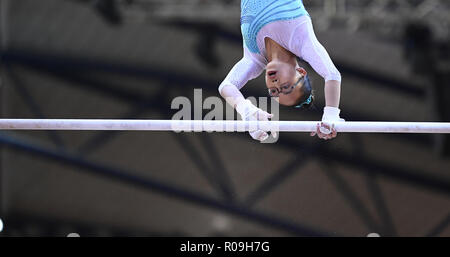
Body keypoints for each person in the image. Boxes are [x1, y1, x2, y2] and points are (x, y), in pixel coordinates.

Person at [218, 0, 344, 141]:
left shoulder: (254, 60)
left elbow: (226, 86)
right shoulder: (301, 41)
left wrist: (247, 111)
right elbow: (332, 74)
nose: (275, 84)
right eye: (286, 87)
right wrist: (331, 114)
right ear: (301, 72)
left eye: (274, 91)